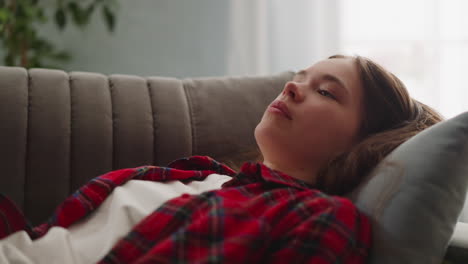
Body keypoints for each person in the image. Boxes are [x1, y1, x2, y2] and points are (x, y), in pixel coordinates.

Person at [0, 55, 443, 263]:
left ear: (364, 142)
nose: (292, 88)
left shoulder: (321, 218)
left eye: (325, 92)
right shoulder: (207, 176)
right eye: (300, 78)